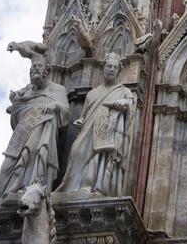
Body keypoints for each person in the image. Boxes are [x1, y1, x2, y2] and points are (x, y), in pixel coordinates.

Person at [0, 55, 70, 206]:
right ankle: (3, 194)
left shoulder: (58, 90)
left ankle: (32, 189)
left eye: (39, 66)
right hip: (22, 133)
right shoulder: (25, 92)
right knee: (7, 166)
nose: (35, 69)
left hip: (42, 133)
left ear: (47, 70)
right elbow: (16, 116)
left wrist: (55, 106)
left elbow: (66, 113)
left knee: (35, 156)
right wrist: (16, 103)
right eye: (33, 66)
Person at [55, 53, 134, 197]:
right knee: (77, 150)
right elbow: (85, 114)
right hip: (88, 130)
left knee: (98, 156)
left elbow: (131, 107)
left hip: (106, 132)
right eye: (108, 66)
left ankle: (91, 186)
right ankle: (74, 185)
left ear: (118, 71)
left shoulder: (124, 91)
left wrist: (125, 103)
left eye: (115, 67)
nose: (111, 69)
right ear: (103, 69)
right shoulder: (92, 93)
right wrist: (81, 120)